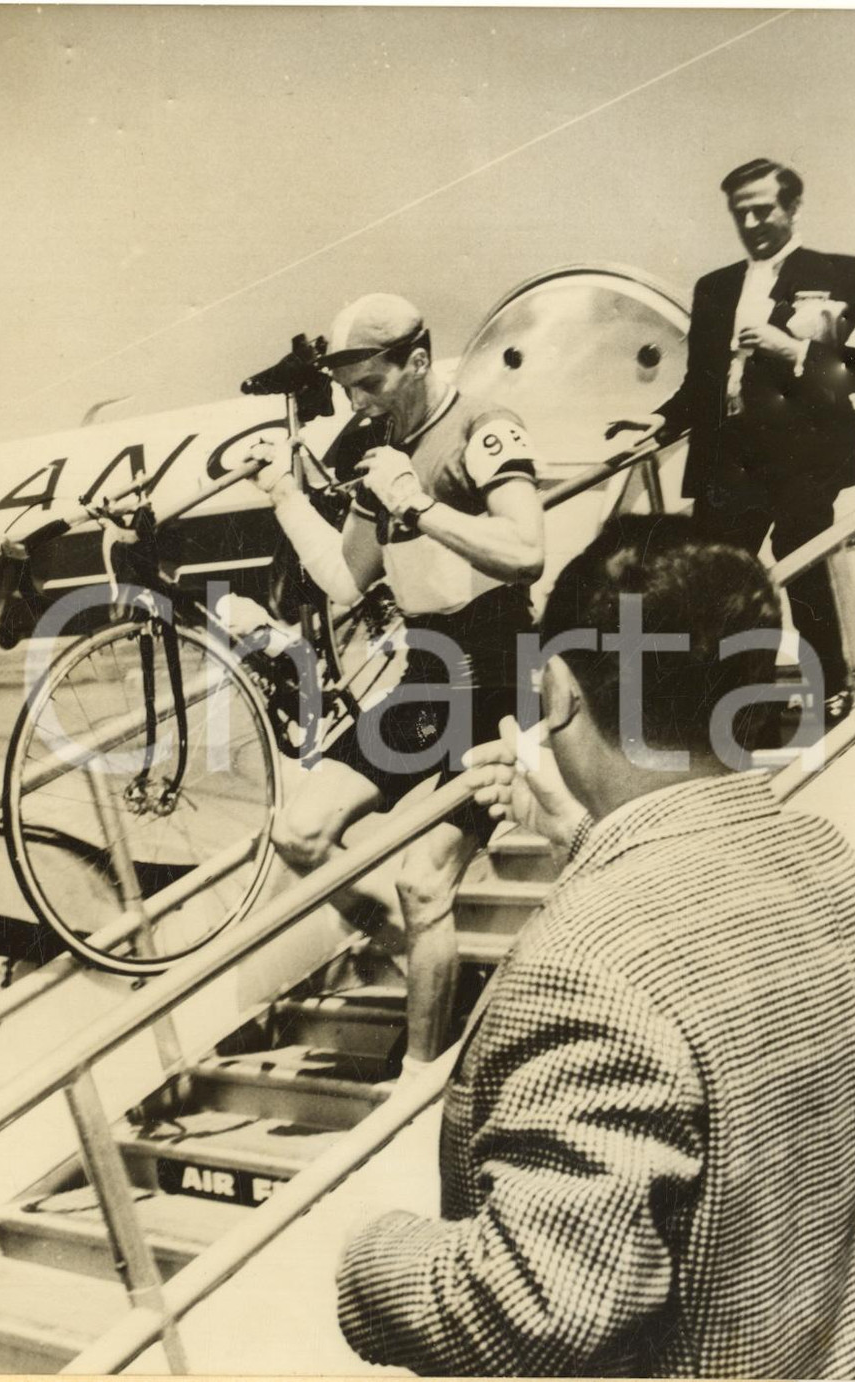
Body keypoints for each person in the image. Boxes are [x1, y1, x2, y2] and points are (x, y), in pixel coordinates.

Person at [336, 513, 855, 1377]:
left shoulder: (588, 966)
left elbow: (532, 1307)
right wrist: (580, 840)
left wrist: (368, 1249)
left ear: (556, 694)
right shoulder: (832, 865)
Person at [246, 293, 545, 1067]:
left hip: (502, 674)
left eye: (371, 385)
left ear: (418, 360)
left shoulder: (483, 426)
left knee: (424, 883)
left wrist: (416, 504)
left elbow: (525, 551)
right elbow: (346, 581)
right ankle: (430, 960)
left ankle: (419, 1077)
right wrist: (284, 497)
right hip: (427, 675)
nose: (359, 405)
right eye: (348, 391)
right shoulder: (383, 453)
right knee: (299, 834)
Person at [607, 158, 855, 725]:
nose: (751, 223)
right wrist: (658, 421)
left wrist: (794, 350)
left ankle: (831, 690)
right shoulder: (715, 287)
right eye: (741, 213)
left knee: (805, 574)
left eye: (763, 209)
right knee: (722, 589)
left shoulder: (839, 273)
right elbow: (699, 386)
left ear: (793, 207)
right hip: (727, 465)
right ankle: (741, 700)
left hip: (804, 461)